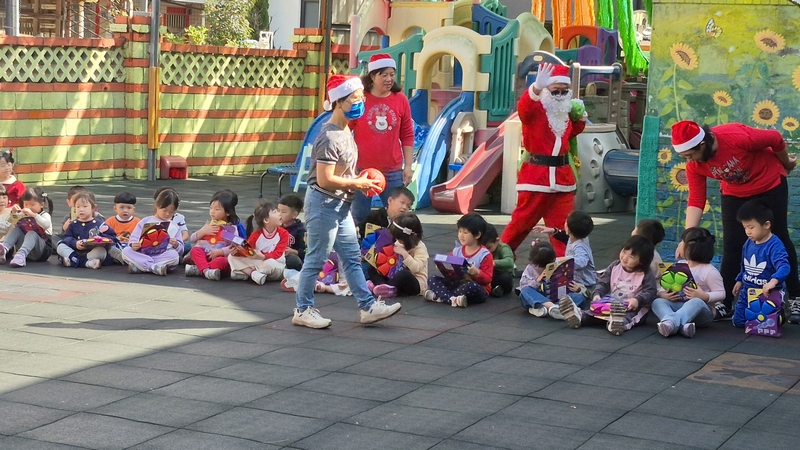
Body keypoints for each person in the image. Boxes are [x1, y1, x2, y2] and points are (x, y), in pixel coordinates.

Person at [293, 74, 402, 329]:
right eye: (355, 99)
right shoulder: (330, 136)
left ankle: (367, 307)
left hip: (340, 205)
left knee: (352, 258)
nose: (360, 103)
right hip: (323, 204)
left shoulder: (345, 131)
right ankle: (303, 309)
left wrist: (361, 179)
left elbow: (342, 173)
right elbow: (325, 179)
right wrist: (357, 183)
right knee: (316, 258)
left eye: (361, 98)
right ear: (339, 102)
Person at [670, 120, 800, 323]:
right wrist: (687, 238)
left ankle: (795, 298)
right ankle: (725, 302)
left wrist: (786, 163)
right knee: (732, 245)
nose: (689, 160)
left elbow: (775, 138)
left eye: (690, 155)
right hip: (735, 193)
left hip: (768, 183)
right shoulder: (695, 165)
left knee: (779, 237)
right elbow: (696, 200)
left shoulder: (736, 137)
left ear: (702, 144)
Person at [500, 63, 587, 256]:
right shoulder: (535, 110)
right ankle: (499, 259)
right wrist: (536, 88)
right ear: (546, 90)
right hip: (536, 178)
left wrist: (580, 116)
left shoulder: (565, 112)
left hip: (563, 180)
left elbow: (573, 132)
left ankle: (564, 264)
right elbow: (524, 108)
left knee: (564, 229)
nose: (560, 96)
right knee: (520, 223)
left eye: (564, 91)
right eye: (555, 91)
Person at [349, 54, 415, 226]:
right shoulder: (361, 98)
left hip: (392, 169)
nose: (389, 79)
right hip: (362, 170)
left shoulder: (400, 99)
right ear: (372, 76)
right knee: (359, 216)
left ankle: (397, 243)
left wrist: (408, 166)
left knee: (398, 217)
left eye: (392, 74)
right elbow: (346, 129)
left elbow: (407, 134)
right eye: (384, 75)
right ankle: (360, 243)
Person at [559, 235, 657, 335]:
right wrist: (597, 294)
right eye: (624, 252)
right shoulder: (615, 266)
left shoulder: (645, 274)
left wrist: (637, 300)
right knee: (595, 312)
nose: (625, 258)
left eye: (631, 257)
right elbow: (603, 283)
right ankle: (579, 315)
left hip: (633, 308)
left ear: (641, 261)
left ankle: (617, 324)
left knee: (629, 317)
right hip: (611, 303)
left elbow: (651, 291)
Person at [653, 227, 724, 338]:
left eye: (682, 242)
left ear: (690, 249)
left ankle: (671, 322)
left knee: (696, 301)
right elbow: (667, 284)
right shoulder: (680, 265)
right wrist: (663, 294)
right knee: (657, 302)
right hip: (679, 305)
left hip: (702, 313)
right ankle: (682, 326)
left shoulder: (710, 271)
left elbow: (721, 293)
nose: (679, 244)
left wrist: (704, 296)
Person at [731, 200, 790, 328]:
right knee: (739, 322)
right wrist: (740, 280)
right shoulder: (748, 243)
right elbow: (744, 265)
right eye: (745, 227)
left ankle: (781, 311)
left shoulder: (775, 245)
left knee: (766, 324)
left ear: (766, 224)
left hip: (767, 293)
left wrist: (773, 281)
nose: (748, 231)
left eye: (751, 227)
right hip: (748, 291)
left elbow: (784, 266)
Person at [423, 212, 494, 308]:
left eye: (465, 232)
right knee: (432, 279)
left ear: (477, 235)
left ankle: (441, 296)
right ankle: (453, 299)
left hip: (477, 288)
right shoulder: (457, 251)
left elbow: (487, 279)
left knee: (472, 286)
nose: (461, 235)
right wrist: (442, 267)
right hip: (457, 283)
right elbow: (451, 270)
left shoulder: (484, 254)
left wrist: (477, 272)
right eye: (460, 231)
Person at [534, 210, 597, 305]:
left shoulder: (580, 246)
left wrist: (563, 259)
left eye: (566, 221)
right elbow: (566, 237)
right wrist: (553, 231)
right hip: (573, 278)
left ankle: (555, 305)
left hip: (583, 284)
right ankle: (551, 300)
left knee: (570, 295)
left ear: (568, 229)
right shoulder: (578, 237)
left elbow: (582, 261)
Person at [366, 211, 428, 297]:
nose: (397, 242)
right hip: (394, 275)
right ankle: (380, 286)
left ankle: (386, 288)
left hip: (415, 283)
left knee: (403, 275)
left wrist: (404, 254)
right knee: (373, 267)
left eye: (400, 240)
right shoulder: (399, 242)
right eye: (396, 239)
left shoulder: (420, 247)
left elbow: (416, 269)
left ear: (413, 236)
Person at [122, 188, 183, 275]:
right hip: (143, 254)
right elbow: (134, 238)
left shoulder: (175, 226)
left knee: (174, 256)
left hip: (162, 255)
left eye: (171, 212)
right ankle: (155, 267)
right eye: (164, 210)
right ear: (157, 205)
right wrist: (134, 244)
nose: (167, 214)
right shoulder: (145, 221)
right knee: (126, 251)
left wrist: (176, 244)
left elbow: (180, 250)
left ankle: (141, 267)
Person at [186, 190, 244, 281]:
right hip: (206, 253)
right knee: (195, 251)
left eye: (217, 209)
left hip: (218, 256)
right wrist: (202, 232)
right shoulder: (209, 224)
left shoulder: (230, 228)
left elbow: (235, 246)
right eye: (211, 208)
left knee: (223, 262)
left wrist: (219, 252)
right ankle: (206, 271)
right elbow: (192, 238)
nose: (212, 212)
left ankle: (199, 269)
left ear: (228, 212)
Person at [228, 200, 289, 285]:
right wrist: (237, 252)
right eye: (275, 212)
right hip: (259, 263)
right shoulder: (256, 234)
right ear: (266, 220)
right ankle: (254, 274)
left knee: (269, 263)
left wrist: (263, 257)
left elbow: (278, 254)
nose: (279, 214)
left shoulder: (284, 233)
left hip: (276, 265)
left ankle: (246, 272)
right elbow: (248, 251)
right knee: (231, 257)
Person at [57, 191, 117, 269]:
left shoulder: (99, 224)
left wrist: (101, 239)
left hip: (91, 252)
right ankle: (87, 263)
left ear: (93, 208)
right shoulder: (73, 224)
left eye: (85, 206)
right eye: (78, 207)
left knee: (101, 251)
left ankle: (74, 261)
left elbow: (112, 236)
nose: (81, 210)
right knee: (60, 246)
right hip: (76, 251)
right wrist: (75, 243)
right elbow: (67, 237)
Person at [0, 187, 53, 267]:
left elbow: (46, 225)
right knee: (16, 230)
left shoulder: (44, 215)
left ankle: (21, 255)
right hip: (28, 249)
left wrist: (34, 215)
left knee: (31, 233)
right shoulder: (23, 214)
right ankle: (4, 249)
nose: (28, 207)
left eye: (32, 204)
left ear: (42, 205)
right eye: (26, 204)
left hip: (42, 251)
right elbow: (8, 222)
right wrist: (13, 213)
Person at [518, 241, 561, 318]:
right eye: (541, 266)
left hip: (554, 297)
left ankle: (543, 309)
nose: (544, 268)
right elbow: (523, 287)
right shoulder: (530, 268)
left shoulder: (557, 265)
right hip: (536, 298)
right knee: (525, 291)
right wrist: (538, 280)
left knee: (578, 297)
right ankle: (553, 307)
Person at [153, 187, 190, 259]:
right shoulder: (152, 219)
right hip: (158, 245)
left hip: (173, 244)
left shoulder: (179, 217)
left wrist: (178, 242)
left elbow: (185, 234)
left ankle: (176, 256)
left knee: (187, 245)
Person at [483, 224, 515, 297]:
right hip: (487, 276)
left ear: (497, 241)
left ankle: (497, 289)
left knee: (505, 278)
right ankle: (491, 289)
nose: (487, 251)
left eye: (489, 248)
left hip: (499, 275)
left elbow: (510, 261)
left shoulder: (503, 248)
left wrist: (493, 263)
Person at [278, 194, 306, 271]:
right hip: (276, 256)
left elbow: (306, 250)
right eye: (278, 210)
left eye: (283, 212)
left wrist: (295, 252)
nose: (279, 214)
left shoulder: (300, 230)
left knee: (293, 260)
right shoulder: (276, 225)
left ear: (294, 214)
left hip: (289, 258)